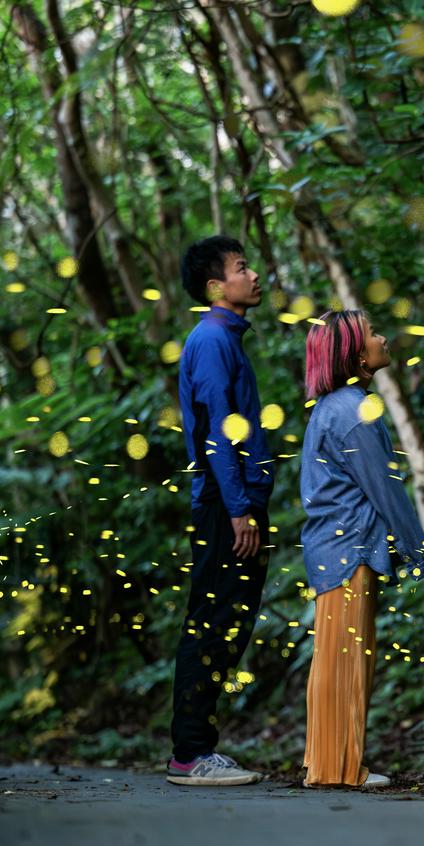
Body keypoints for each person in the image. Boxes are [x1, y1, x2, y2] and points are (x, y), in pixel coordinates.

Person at [300, 308, 424, 789]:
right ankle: (339, 770)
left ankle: (328, 764)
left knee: (338, 657)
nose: (383, 338)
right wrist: (419, 550)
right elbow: (385, 489)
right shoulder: (354, 411)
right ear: (357, 355)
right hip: (349, 551)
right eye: (373, 333)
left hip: (336, 549)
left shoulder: (334, 407)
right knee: (348, 661)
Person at [166, 236, 275, 786]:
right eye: (240, 267)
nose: (253, 275)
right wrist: (239, 510)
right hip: (222, 505)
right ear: (216, 286)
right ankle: (189, 755)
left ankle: (198, 748)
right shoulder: (211, 340)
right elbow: (214, 433)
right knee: (211, 625)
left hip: (236, 502)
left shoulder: (227, 338)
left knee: (229, 625)